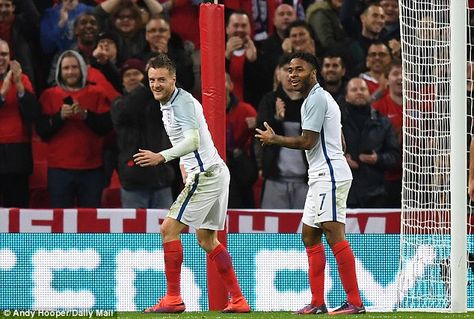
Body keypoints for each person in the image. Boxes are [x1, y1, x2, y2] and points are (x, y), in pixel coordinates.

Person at [133, 54, 250, 313]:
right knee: (207, 239)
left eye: (161, 79)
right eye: (152, 79)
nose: (156, 84)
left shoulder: (181, 104)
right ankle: (239, 299)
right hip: (215, 171)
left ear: (173, 79)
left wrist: (161, 156)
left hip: (206, 175)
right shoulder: (171, 102)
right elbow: (187, 143)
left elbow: (193, 140)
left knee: (168, 230)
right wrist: (184, 164)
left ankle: (173, 299)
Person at [255, 52, 365, 315]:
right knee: (310, 235)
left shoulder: (315, 99)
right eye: (290, 70)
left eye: (299, 70)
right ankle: (317, 303)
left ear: (313, 72)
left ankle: (355, 303)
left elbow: (307, 142)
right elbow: (341, 141)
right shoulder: (320, 99)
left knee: (333, 233)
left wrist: (275, 139)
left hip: (328, 175)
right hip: (320, 175)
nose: (293, 74)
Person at [111, 58, 175, 208]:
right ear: (122, 82)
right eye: (127, 75)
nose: (132, 77)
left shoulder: (161, 103)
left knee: (165, 230)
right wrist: (147, 86)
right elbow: (129, 109)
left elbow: (177, 92)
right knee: (135, 231)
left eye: (136, 74)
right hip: (133, 181)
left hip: (161, 179)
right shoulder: (118, 104)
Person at [0, 40, 40, 208]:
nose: (1, 58)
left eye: (4, 54)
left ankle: (17, 236)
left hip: (18, 149)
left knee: (17, 205)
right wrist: (4, 90)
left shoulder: (22, 79)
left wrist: (19, 86)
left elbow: (34, 112)